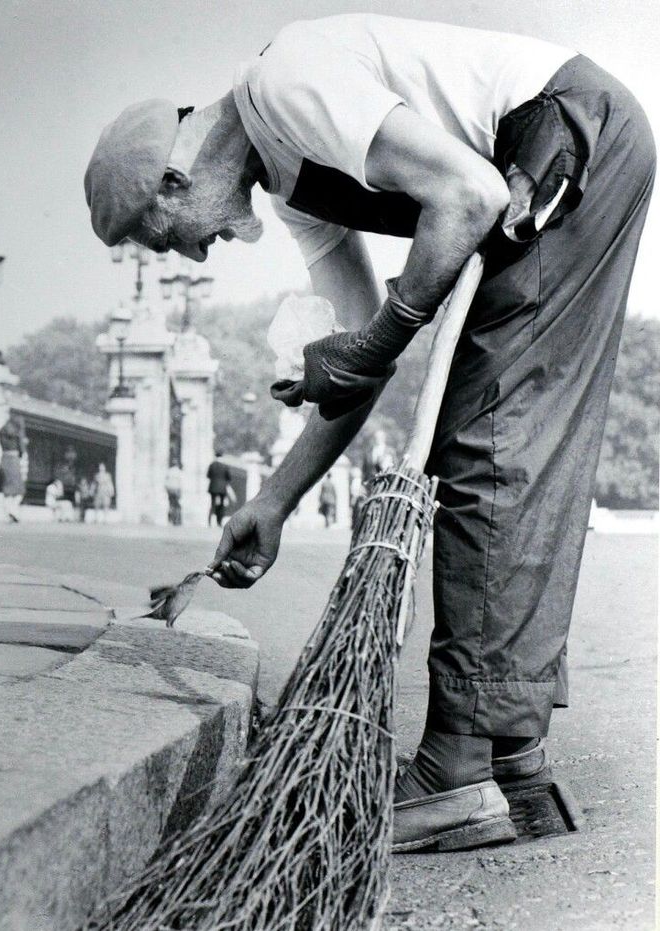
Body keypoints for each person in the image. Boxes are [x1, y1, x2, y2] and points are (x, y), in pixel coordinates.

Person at [85, 15, 655, 852]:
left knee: (488, 444)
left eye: (168, 237)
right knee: (520, 441)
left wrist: (371, 342)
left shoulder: (285, 85)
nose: (196, 257)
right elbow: (362, 362)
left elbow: (470, 197)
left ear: (173, 180)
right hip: (586, 141)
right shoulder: (288, 180)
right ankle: (508, 749)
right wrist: (276, 499)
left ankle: (457, 768)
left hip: (567, 138)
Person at [0, 415, 26, 523]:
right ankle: (13, 510)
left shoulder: (2, 431)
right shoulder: (18, 432)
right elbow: (21, 447)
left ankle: (9, 511)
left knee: (6, 487)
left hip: (4, 458)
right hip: (14, 459)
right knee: (19, 490)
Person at [206, 451, 232, 528]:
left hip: (213, 487)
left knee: (212, 504)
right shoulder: (225, 466)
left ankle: (209, 521)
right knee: (221, 505)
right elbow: (229, 477)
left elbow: (208, 475)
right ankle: (219, 522)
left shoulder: (212, 465)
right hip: (222, 488)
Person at [165, 461, 183, 525]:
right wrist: (180, 492)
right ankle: (176, 519)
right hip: (176, 489)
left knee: (171, 504)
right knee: (177, 505)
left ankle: (170, 517)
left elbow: (166, 482)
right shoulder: (179, 472)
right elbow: (181, 483)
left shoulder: (169, 471)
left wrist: (167, 490)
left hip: (170, 489)